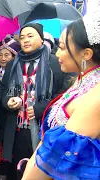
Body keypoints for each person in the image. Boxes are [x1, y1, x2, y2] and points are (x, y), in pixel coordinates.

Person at [23, 1, 100, 179]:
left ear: (86, 54)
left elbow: (60, 156)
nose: (57, 54)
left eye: (63, 48)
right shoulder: (82, 81)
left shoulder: (95, 94)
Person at [0, 23, 72, 180]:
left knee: (41, 170)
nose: (25, 40)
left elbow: (66, 94)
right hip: (18, 129)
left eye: (30, 36)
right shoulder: (13, 64)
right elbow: (3, 92)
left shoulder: (55, 63)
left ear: (41, 39)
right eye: (22, 37)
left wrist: (43, 107)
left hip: (45, 130)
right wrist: (8, 101)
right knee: (18, 170)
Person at [0, 36, 20, 180]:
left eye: (7, 55)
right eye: (0, 54)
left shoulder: (17, 75)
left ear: (14, 56)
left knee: (7, 144)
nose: (2, 58)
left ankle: (5, 171)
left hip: (8, 114)